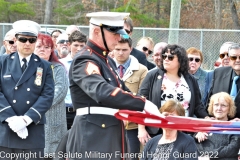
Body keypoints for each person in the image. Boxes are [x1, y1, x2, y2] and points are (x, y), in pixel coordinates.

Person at [63, 11, 161, 160]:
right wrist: (143, 103)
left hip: (109, 133)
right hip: (92, 136)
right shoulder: (85, 59)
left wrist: (151, 111)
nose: (119, 37)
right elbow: (102, 91)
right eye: (114, 33)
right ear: (97, 31)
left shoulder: (106, 61)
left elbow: (123, 92)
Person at [0, 20, 54, 159]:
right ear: (15, 40)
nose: (27, 43)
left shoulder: (45, 66)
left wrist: (26, 119)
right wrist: (11, 118)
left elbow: (47, 95)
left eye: (32, 40)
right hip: (6, 128)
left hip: (32, 129)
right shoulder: (2, 62)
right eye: (23, 39)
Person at [138, 44, 208, 144]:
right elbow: (141, 102)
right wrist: (141, 129)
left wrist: (208, 119)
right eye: (164, 56)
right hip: (157, 131)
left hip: (183, 131)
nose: (166, 59)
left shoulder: (190, 79)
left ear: (180, 61)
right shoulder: (152, 76)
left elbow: (197, 105)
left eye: (170, 57)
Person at [113, 37, 148, 160]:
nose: (120, 53)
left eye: (124, 49)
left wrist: (141, 128)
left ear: (131, 49)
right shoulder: (106, 68)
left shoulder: (142, 70)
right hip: (110, 123)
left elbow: (142, 99)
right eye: (117, 49)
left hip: (131, 126)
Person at [34, 33, 68, 159]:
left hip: (53, 123)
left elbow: (61, 91)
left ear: (52, 50)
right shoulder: (27, 68)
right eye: (39, 46)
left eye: (47, 47)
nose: (42, 49)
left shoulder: (58, 68)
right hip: (31, 123)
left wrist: (38, 105)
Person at [195, 92, 240, 160]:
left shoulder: (234, 127)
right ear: (212, 107)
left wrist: (208, 156)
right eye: (216, 105)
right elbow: (196, 147)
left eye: (223, 105)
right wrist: (197, 137)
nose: (219, 108)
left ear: (229, 109)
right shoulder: (203, 127)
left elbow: (232, 149)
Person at [59, 30, 87, 130]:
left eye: (82, 45)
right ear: (69, 45)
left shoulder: (90, 64)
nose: (79, 49)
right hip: (63, 111)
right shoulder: (59, 64)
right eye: (76, 45)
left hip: (82, 111)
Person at [206, 43, 240, 118]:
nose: (237, 60)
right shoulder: (218, 73)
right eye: (234, 57)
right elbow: (210, 101)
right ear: (229, 59)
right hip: (219, 125)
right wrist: (208, 117)